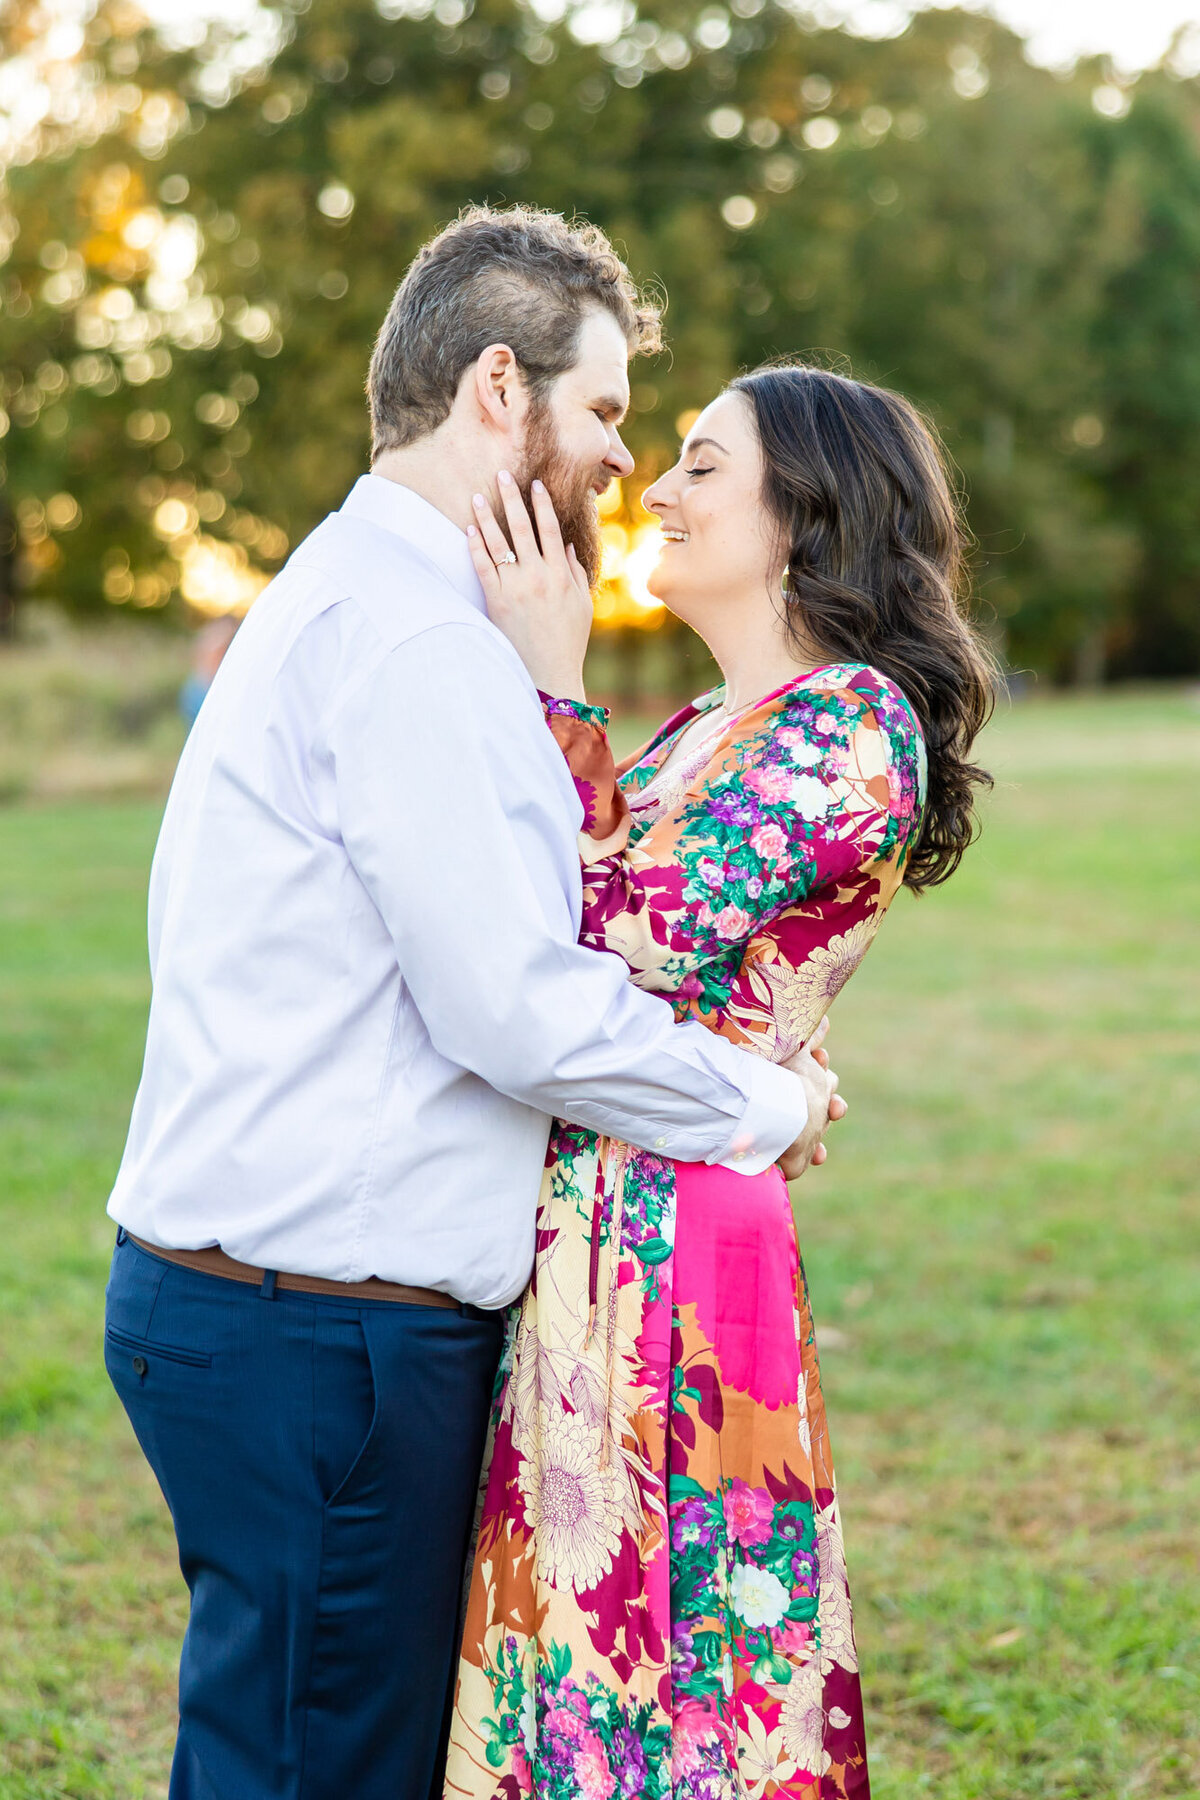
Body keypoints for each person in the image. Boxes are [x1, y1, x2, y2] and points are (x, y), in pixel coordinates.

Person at [102, 207, 843, 1800]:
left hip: (267, 1306)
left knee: (291, 1747)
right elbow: (519, 1011)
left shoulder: (371, 597)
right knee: (320, 1772)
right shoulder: (415, 644)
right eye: (606, 415)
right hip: (324, 1339)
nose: (616, 467)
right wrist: (770, 1103)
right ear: (499, 390)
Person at [445, 364, 994, 1799]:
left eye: (701, 464)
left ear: (808, 513)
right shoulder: (706, 726)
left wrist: (550, 680)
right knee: (577, 1638)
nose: (661, 491)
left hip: (677, 1234)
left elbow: (603, 929)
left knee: (678, 1653)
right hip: (601, 1199)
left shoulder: (847, 721)